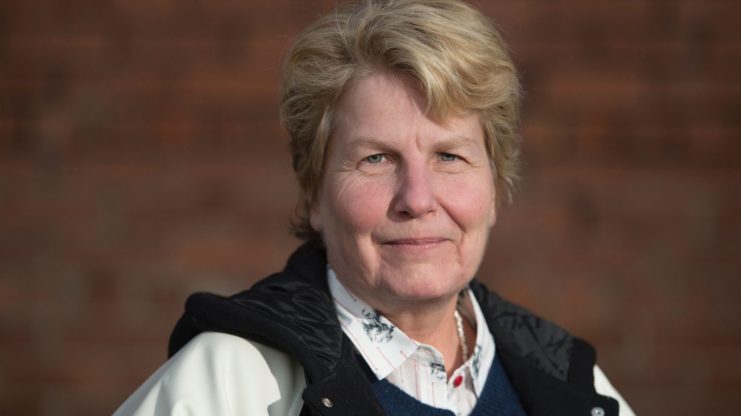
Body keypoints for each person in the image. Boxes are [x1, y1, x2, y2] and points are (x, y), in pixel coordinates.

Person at [115, 0, 635, 415]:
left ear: (495, 187)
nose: (417, 199)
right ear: (313, 193)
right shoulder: (227, 385)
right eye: (377, 159)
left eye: (449, 156)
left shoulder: (572, 383)